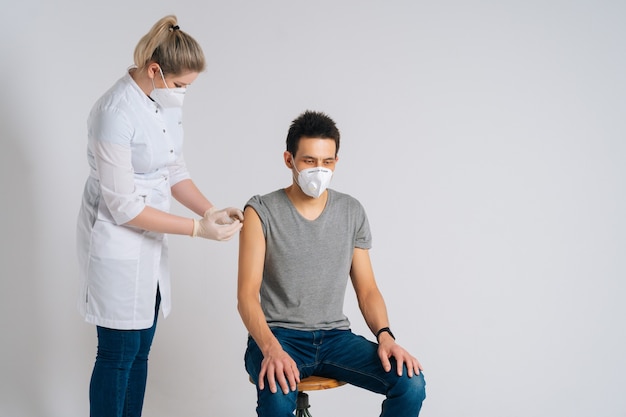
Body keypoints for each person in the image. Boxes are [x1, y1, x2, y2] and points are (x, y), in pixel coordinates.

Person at [76, 15, 243, 417]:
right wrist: (196, 229)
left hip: (150, 239)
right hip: (116, 237)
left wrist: (210, 210)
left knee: (141, 349)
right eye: (182, 85)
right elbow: (125, 207)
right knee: (118, 351)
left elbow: (173, 171)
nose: (184, 93)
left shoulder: (160, 102)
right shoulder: (114, 112)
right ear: (155, 70)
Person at [237, 110, 426, 416]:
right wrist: (271, 349)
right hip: (278, 336)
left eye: (327, 162)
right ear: (289, 160)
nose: (319, 169)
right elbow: (246, 295)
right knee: (275, 395)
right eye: (309, 161)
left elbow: (367, 291)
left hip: (335, 339)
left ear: (336, 162)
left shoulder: (351, 211)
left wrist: (386, 335)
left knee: (411, 383)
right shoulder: (260, 211)